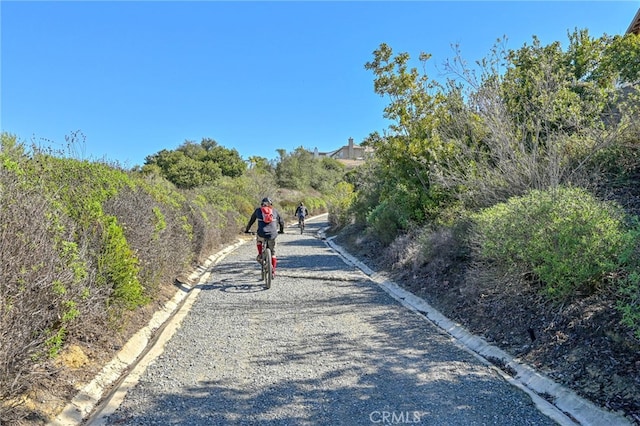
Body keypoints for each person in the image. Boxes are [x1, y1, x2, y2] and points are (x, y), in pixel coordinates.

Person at [245, 197, 285, 275]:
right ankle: (273, 271)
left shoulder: (258, 211)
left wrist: (247, 230)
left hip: (261, 233)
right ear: (271, 204)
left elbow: (251, 221)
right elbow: (282, 222)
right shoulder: (274, 211)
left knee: (259, 240)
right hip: (272, 234)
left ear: (262, 204)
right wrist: (281, 230)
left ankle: (260, 254)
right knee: (273, 253)